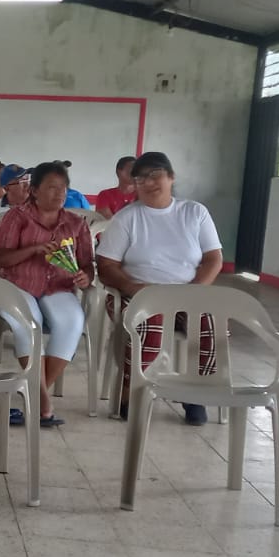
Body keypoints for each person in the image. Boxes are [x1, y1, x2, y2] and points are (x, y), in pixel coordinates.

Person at [96, 150, 223, 426]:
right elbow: (105, 265)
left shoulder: (194, 212)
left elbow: (214, 259)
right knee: (149, 324)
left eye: (155, 175)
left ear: (171, 177)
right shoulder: (127, 218)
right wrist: (132, 287)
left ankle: (194, 393)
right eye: (140, 179)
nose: (148, 183)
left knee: (210, 326)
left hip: (186, 292)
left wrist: (195, 290)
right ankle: (131, 391)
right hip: (137, 294)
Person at [0, 162, 95, 428]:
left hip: (58, 286)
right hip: (17, 285)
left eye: (63, 188)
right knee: (30, 321)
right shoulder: (16, 218)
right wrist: (33, 249)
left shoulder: (75, 224)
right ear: (34, 191)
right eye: (52, 187)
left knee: (72, 320)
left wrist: (86, 276)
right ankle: (42, 403)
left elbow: (87, 264)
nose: (59, 193)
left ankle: (34, 394)